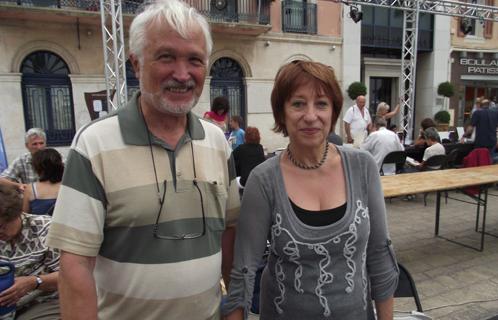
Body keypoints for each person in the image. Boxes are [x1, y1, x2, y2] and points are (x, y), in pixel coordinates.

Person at [46, 1, 240, 319]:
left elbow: (230, 233)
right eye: (166, 57)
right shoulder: (94, 144)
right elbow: (75, 264)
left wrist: (234, 309)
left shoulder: (217, 142)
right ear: (136, 65)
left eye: (194, 59)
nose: (182, 74)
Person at [223, 60, 398, 320]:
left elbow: (380, 254)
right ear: (281, 113)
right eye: (298, 103)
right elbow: (244, 272)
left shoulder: (363, 168)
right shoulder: (264, 180)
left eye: (321, 104)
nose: (310, 115)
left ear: (333, 112)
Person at [0, 184, 60, 319]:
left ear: (17, 214)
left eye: (2, 226)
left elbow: (69, 276)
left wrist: (35, 282)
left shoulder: (45, 229)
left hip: (42, 301)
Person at [21, 148, 63, 215]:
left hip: (41, 225)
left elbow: (25, 216)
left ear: (38, 168)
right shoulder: (68, 186)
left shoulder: (31, 189)